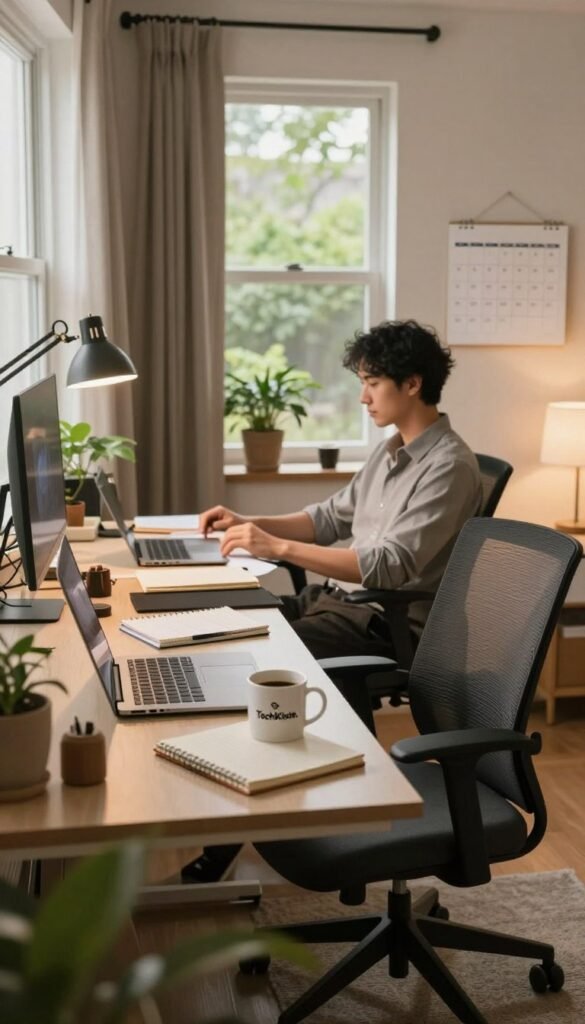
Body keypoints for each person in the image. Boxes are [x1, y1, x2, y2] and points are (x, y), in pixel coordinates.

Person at [182, 319, 482, 884]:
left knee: (251, 667)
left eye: (373, 383)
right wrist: (250, 521)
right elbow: (329, 519)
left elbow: (391, 565)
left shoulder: (449, 468)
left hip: (384, 623)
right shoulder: (391, 450)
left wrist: (276, 547)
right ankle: (250, 817)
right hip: (340, 604)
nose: (363, 396)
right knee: (224, 625)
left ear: (412, 383)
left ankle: (229, 843)